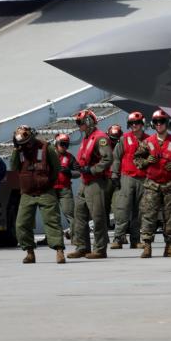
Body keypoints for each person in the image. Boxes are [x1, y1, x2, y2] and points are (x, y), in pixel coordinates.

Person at [133, 110, 171, 258]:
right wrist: (146, 161)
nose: (159, 124)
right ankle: (147, 246)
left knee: (170, 217)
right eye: (156, 122)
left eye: (161, 121)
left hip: (170, 185)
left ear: (167, 123)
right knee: (148, 216)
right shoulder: (147, 142)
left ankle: (169, 247)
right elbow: (136, 160)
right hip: (152, 185)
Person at [10, 125, 65, 264]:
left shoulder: (46, 147)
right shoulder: (20, 150)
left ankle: (59, 251)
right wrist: (16, 150)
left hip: (45, 191)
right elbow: (13, 167)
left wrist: (47, 182)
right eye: (22, 143)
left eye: (26, 142)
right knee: (21, 224)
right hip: (27, 193)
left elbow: (56, 167)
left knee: (52, 221)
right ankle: (29, 252)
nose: (25, 145)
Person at [67, 109, 112, 259]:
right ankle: (82, 247)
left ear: (88, 122)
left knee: (97, 216)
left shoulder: (100, 138)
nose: (78, 126)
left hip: (95, 181)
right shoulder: (87, 138)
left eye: (80, 123)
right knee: (79, 214)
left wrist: (92, 170)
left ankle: (100, 249)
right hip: (85, 181)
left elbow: (107, 159)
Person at [111, 112, 147, 249]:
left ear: (142, 124)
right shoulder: (124, 139)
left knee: (139, 211)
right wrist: (114, 174)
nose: (134, 126)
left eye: (136, 123)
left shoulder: (149, 140)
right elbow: (116, 157)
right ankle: (118, 238)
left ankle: (135, 240)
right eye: (131, 123)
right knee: (122, 209)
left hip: (143, 179)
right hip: (127, 177)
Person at [53, 133, 79, 239]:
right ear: (56, 144)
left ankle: (74, 237)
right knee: (52, 216)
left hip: (65, 189)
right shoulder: (49, 156)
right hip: (51, 189)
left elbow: (78, 172)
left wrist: (69, 172)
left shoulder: (69, 157)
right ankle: (52, 238)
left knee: (70, 214)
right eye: (62, 144)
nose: (64, 147)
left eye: (66, 145)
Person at [105, 124, 124, 216]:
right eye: (113, 139)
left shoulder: (123, 145)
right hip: (106, 178)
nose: (115, 141)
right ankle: (106, 224)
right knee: (105, 203)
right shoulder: (103, 145)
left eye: (117, 139)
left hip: (119, 177)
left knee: (120, 203)